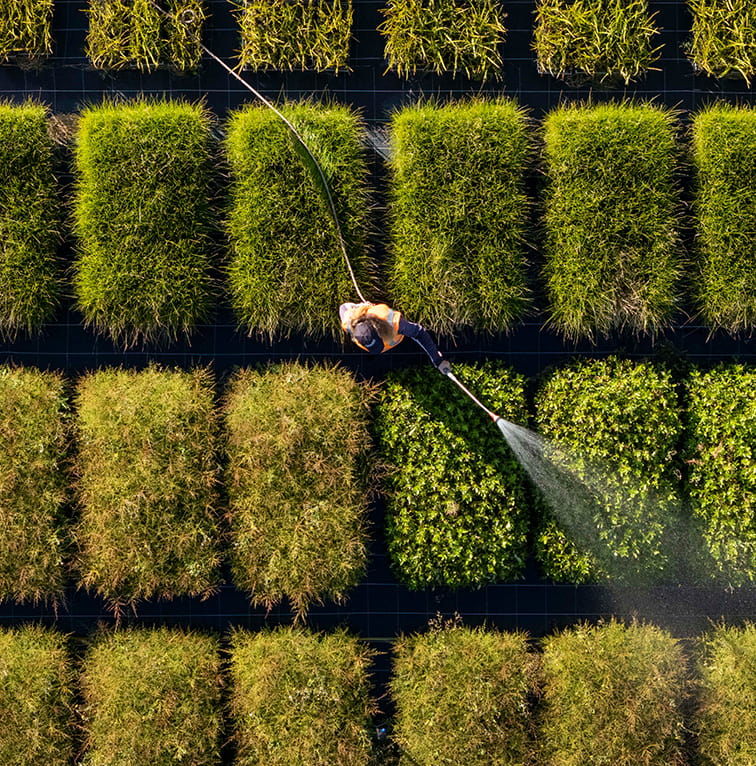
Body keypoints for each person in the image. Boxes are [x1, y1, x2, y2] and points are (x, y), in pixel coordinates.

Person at [339, 301, 451, 374]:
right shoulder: (349, 324)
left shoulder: (392, 322)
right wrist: (359, 307)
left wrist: (437, 360)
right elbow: (343, 307)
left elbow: (419, 333)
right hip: (365, 318)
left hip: (395, 333)